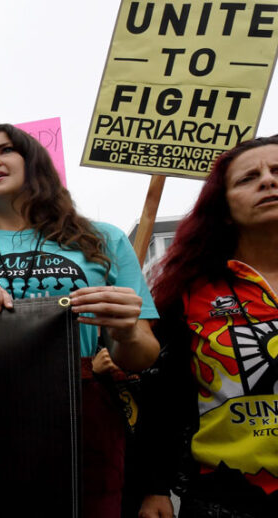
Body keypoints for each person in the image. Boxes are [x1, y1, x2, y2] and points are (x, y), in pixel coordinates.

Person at [0, 124, 159, 517]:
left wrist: (126, 331)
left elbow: (143, 355)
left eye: (6, 150)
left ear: (35, 163)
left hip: (81, 412)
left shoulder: (103, 238)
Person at [138, 135, 278, 518]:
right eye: (248, 178)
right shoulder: (189, 293)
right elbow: (161, 399)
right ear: (225, 210)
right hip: (226, 499)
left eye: (276, 171)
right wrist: (154, 487)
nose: (268, 180)